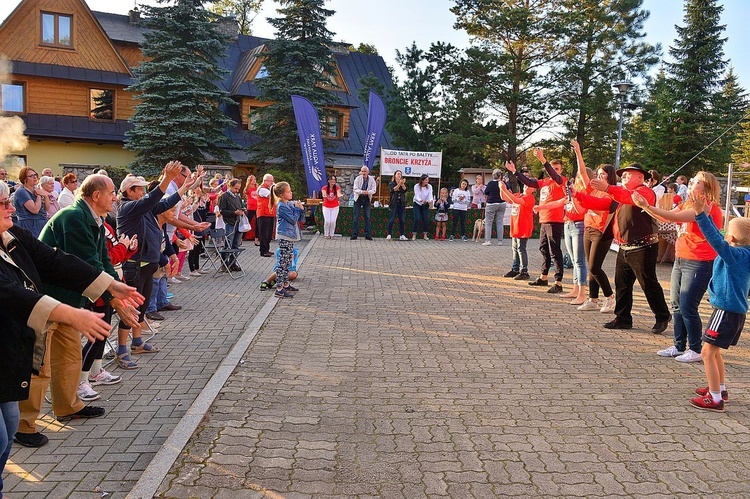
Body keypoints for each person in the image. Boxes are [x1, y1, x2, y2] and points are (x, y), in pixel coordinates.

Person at [0, 180, 134, 465]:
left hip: (63, 304)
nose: (11, 207)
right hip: (46, 309)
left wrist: (111, 285)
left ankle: (67, 406)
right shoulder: (74, 217)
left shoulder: (13, 233)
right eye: (4, 204)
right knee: (39, 367)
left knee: (69, 358)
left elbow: (58, 260)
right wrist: (90, 305)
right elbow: (11, 292)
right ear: (96, 195)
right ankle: (28, 424)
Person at [634, 172, 723, 363]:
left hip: (700, 260)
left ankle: (696, 348)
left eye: (696, 182)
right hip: (682, 258)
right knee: (676, 303)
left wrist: (646, 206)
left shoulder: (706, 207)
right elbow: (667, 217)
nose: (691, 183)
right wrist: (646, 207)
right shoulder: (687, 203)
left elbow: (672, 216)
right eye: (691, 181)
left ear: (707, 187)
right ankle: (679, 345)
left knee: (688, 305)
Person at [573, 163, 671, 333]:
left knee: (648, 283)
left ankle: (662, 316)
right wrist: (578, 196)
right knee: (622, 284)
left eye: (627, 175)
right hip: (625, 246)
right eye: (623, 175)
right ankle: (623, 318)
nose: (623, 178)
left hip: (643, 246)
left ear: (640, 177)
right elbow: (600, 203)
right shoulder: (620, 194)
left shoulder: (644, 192)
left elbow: (630, 198)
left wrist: (609, 188)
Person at [116, 163, 191, 369]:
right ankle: (122, 349)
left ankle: (137, 342)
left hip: (148, 264)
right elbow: (153, 198)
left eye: (143, 188)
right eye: (139, 188)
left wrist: (185, 188)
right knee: (130, 308)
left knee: (141, 307)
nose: (143, 191)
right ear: (129, 191)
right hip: (134, 265)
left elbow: (165, 202)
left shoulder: (143, 208)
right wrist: (167, 177)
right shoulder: (128, 207)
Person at [688, 194, 750, 411]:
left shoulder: (735, 255)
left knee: (706, 352)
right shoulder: (745, 253)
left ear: (731, 239)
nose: (723, 235)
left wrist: (700, 214)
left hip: (726, 311)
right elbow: (719, 235)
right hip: (732, 311)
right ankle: (720, 388)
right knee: (714, 352)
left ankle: (715, 399)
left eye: (727, 233)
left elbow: (715, 238)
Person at [506, 149, 566, 293]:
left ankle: (558, 282)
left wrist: (543, 160)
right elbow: (528, 182)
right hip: (544, 220)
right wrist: (515, 172)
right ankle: (544, 277)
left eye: (557, 168)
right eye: (554, 168)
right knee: (543, 249)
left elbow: (554, 175)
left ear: (561, 170)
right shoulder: (545, 182)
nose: (555, 171)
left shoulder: (561, 180)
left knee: (555, 251)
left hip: (555, 220)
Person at [570, 145, 617, 314]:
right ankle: (593, 299)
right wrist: (578, 152)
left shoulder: (610, 193)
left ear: (609, 177)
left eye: (602, 174)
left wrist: (581, 198)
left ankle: (610, 298)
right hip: (589, 228)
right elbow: (583, 173)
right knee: (591, 267)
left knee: (594, 267)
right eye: (597, 174)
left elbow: (599, 207)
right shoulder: (593, 189)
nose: (598, 177)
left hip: (601, 231)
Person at [270, 182, 305, 298]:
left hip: (289, 236)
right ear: (281, 194)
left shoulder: (287, 203)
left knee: (288, 261)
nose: (291, 193)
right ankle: (279, 288)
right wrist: (298, 209)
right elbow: (293, 219)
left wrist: (299, 207)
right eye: (288, 192)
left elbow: (299, 216)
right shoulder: (282, 206)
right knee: (282, 263)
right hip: (284, 236)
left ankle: (285, 284)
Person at [500, 181, 535, 280]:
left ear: (533, 190)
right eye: (527, 184)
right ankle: (515, 269)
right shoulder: (519, 195)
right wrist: (501, 187)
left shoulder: (529, 198)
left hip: (523, 227)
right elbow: (504, 197)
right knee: (515, 248)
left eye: (531, 186)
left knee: (521, 248)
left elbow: (515, 200)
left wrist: (505, 189)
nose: (527, 186)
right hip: (515, 226)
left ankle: (524, 271)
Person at [218, 178, 245, 272]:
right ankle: (224, 264)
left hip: (238, 222)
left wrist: (242, 210)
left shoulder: (237, 197)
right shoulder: (224, 196)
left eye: (238, 189)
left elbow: (240, 207)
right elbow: (222, 211)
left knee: (236, 245)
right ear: (230, 186)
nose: (237, 191)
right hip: (229, 223)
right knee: (227, 245)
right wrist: (234, 213)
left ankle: (233, 263)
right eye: (235, 188)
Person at [13, 167, 47, 237]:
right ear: (25, 179)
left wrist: (46, 196)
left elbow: (47, 209)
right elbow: (35, 210)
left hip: (41, 223)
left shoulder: (36, 189)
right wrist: (39, 196)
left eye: (35, 175)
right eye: (31, 176)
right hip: (29, 225)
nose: (35, 177)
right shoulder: (21, 192)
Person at [482, 169, 508, 246]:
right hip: (502, 203)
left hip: (491, 203)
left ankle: (488, 241)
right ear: (500, 176)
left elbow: (486, 192)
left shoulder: (490, 183)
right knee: (500, 222)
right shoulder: (503, 183)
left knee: (488, 222)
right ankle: (500, 241)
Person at [351, 166, 376, 240]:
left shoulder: (371, 179)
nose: (363, 173)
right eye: (362, 171)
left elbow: (374, 190)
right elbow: (355, 189)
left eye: (365, 171)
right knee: (356, 217)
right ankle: (354, 234)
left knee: (367, 217)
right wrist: (362, 192)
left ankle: (367, 234)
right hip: (358, 198)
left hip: (367, 198)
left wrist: (368, 192)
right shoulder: (358, 179)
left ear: (368, 172)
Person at [256, 174, 275, 257]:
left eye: (272, 180)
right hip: (263, 214)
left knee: (269, 233)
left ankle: (267, 249)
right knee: (264, 233)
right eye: (270, 181)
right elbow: (271, 196)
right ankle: (263, 250)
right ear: (265, 181)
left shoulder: (268, 188)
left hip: (270, 213)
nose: (272, 182)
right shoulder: (262, 189)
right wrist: (275, 187)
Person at [387, 170, 408, 240]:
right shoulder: (391, 183)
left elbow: (405, 190)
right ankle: (389, 234)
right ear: (395, 175)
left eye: (400, 174)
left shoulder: (402, 183)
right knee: (391, 219)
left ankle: (402, 234)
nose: (399, 175)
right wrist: (399, 184)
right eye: (398, 174)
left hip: (401, 203)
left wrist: (402, 184)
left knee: (402, 220)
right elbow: (394, 189)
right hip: (394, 203)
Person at [412, 174, 433, 240]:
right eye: (426, 180)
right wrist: (421, 200)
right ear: (422, 180)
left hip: (425, 204)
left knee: (425, 219)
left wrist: (430, 200)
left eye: (428, 180)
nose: (427, 181)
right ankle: (414, 234)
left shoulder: (429, 186)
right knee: (417, 218)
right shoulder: (417, 186)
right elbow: (417, 195)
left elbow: (430, 195)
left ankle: (425, 235)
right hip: (417, 204)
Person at [321, 175, 342, 239]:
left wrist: (339, 195)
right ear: (328, 180)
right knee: (327, 221)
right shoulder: (324, 188)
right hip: (326, 206)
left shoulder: (337, 188)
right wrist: (325, 195)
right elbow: (324, 194)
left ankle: (332, 234)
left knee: (333, 221)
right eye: (331, 179)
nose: (333, 181)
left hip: (335, 206)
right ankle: (326, 234)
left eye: (334, 179)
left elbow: (338, 193)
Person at [244, 175, 259, 245]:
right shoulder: (248, 188)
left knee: (258, 223)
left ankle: (256, 239)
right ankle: (241, 238)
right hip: (250, 207)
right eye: (253, 180)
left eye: (255, 179)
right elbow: (245, 193)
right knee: (247, 222)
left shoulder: (257, 187)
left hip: (257, 207)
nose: (254, 181)